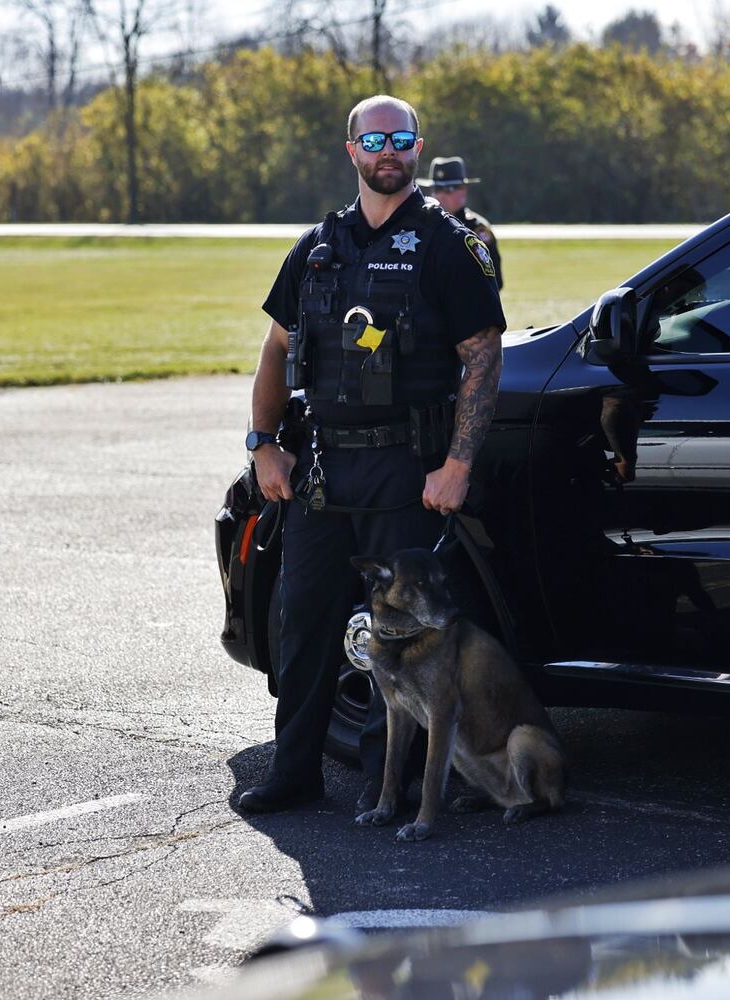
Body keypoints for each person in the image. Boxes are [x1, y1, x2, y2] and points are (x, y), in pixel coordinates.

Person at [237, 96, 506, 813]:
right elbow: (275, 347)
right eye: (375, 139)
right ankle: (293, 772)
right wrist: (264, 446)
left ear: (418, 147)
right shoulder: (316, 247)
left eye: (402, 138)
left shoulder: (449, 244)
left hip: (404, 468)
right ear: (351, 149)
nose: (389, 150)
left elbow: (481, 355)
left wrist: (457, 465)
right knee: (304, 625)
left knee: (407, 635)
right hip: (322, 469)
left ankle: (392, 786)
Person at [419, 156, 502, 291]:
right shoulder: (422, 225)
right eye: (437, 189)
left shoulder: (477, 228)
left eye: (448, 189)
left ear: (463, 190)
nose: (441, 196)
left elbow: (495, 279)